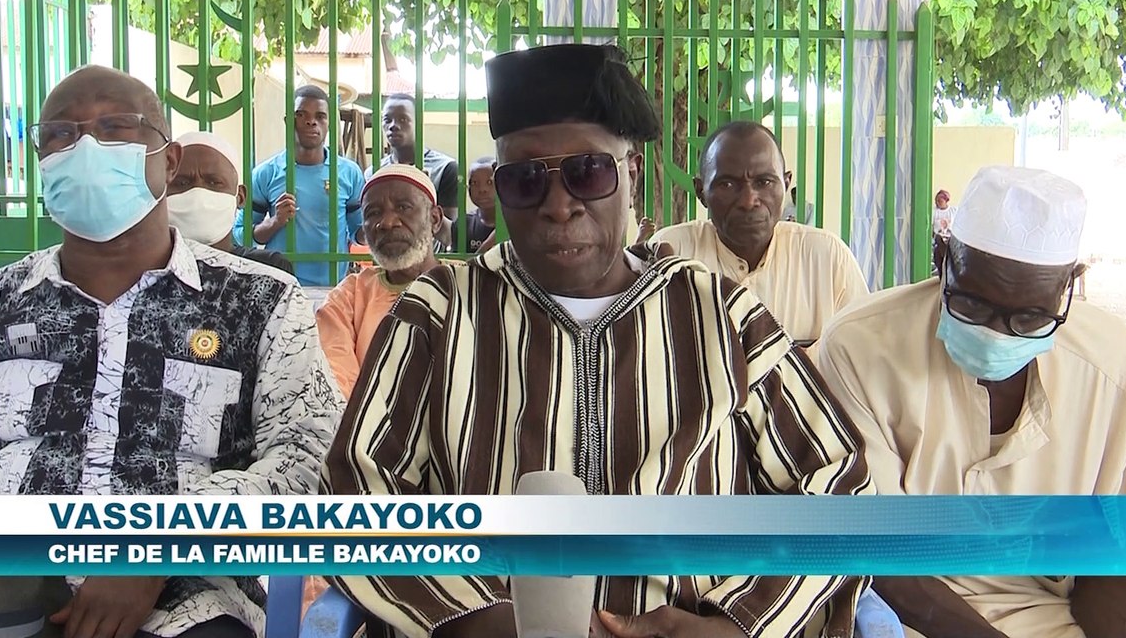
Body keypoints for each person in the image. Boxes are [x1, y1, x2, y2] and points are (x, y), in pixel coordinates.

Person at [322, 43, 874, 638]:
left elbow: (839, 478)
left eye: (588, 171)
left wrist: (737, 621)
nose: (560, 206)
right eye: (525, 180)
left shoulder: (719, 313)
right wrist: (476, 617)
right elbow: (355, 491)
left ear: (630, 173)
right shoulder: (440, 311)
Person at [0, 66, 343, 638]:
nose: (87, 147)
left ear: (168, 162)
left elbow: (307, 454)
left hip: (187, 599)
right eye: (61, 134)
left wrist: (158, 548)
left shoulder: (258, 301)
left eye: (117, 127)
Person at [813, 165, 1126, 638]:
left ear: (1070, 286)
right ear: (943, 259)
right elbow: (876, 551)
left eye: (1029, 318)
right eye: (973, 306)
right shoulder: (860, 348)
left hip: (1053, 614)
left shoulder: (1108, 368)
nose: (996, 335)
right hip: (902, 616)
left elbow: (1115, 553)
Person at [650, 121, 868, 346]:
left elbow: (861, 356)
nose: (748, 201)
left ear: (785, 184)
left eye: (764, 182)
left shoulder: (827, 260)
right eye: (727, 185)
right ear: (701, 191)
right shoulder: (671, 255)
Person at [317, 164, 443, 398]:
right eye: (373, 213)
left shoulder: (470, 287)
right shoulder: (348, 299)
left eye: (403, 208)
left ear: (435, 219)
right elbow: (338, 386)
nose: (387, 222)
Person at [235, 85, 364, 287]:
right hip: (281, 287)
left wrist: (378, 224)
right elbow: (240, 235)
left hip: (334, 290)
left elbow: (359, 233)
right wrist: (275, 221)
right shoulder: (266, 173)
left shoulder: (349, 173)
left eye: (320, 116)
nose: (311, 121)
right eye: (301, 114)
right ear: (288, 121)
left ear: (329, 123)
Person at [167, 131, 293, 274]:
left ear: (240, 197)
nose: (198, 193)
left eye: (214, 182)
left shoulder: (271, 270)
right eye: (182, 183)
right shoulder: (148, 269)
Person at [372, 93, 459, 220]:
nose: (393, 126)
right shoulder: (374, 172)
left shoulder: (445, 168)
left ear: (418, 123)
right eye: (387, 120)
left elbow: (449, 232)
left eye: (403, 119)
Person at [438, 155, 495, 252]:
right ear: (467, 188)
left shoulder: (516, 222)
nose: (482, 189)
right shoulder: (464, 223)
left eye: (489, 182)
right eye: (474, 183)